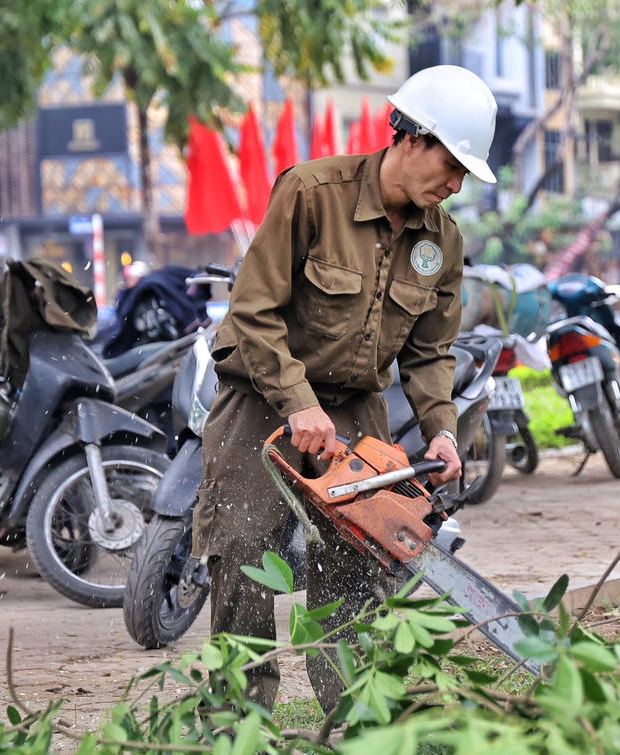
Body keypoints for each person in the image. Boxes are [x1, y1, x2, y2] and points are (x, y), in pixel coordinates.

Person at [191, 65, 499, 713]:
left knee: (359, 575)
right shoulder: (311, 193)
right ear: (411, 139)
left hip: (358, 408)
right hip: (262, 402)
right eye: (451, 165)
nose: (455, 184)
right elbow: (252, 310)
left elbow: (430, 351)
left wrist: (442, 428)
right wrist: (298, 402)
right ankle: (237, 738)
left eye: (466, 175)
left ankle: (356, 729)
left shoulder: (442, 240)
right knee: (249, 561)